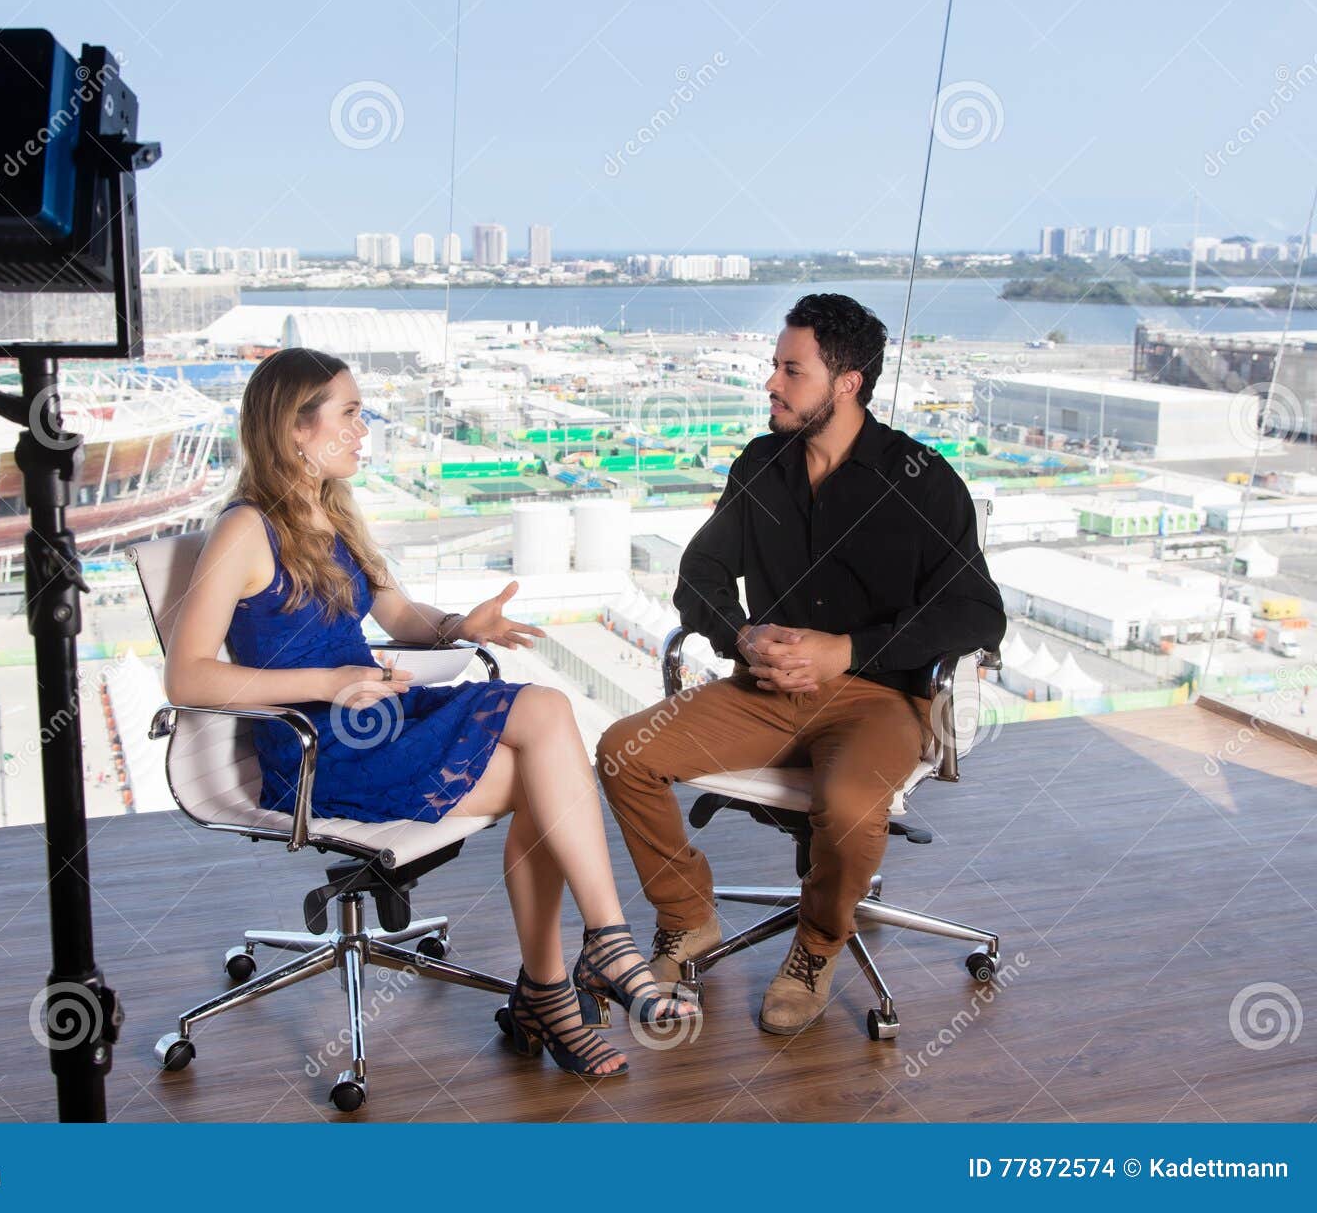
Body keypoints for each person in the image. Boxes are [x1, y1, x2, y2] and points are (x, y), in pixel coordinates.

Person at [165, 346, 696, 1077]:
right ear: (295, 427)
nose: (363, 428)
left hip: (377, 714)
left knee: (545, 726)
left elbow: (398, 612)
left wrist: (458, 626)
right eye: (349, 413)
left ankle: (580, 964)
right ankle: (568, 976)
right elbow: (186, 676)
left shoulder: (333, 509)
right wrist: (330, 679)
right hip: (320, 747)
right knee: (549, 767)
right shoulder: (246, 530)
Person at [596, 293, 1006, 1036]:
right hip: (764, 689)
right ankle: (687, 915)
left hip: (876, 698)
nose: (772, 384)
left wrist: (848, 649)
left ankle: (816, 946)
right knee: (622, 752)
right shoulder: (762, 464)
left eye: (792, 369)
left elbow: (977, 614)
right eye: (774, 366)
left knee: (848, 809)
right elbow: (698, 579)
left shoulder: (920, 477)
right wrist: (744, 638)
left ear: (847, 382)